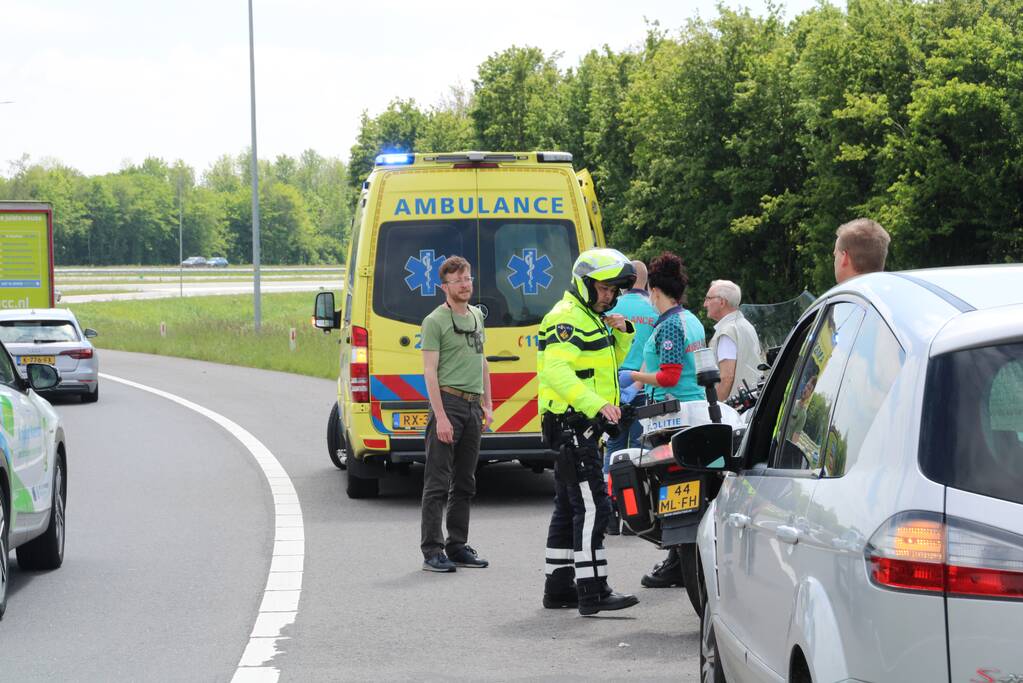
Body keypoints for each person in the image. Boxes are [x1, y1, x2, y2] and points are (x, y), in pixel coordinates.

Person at [539, 248, 641, 615]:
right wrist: (596, 405)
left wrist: (623, 333)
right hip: (574, 425)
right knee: (595, 506)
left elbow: (604, 365)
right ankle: (593, 591)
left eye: (613, 290)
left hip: (579, 426)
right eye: (603, 288)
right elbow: (557, 372)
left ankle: (558, 588)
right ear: (584, 284)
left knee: (568, 508)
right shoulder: (566, 318)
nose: (609, 296)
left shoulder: (590, 317)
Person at [624, 252, 706, 589]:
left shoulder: (670, 325)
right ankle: (684, 557)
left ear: (655, 291)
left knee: (673, 490)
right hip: (695, 409)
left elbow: (670, 376)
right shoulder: (691, 319)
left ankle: (676, 559)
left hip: (672, 415)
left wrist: (633, 376)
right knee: (690, 488)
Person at [419, 256, 494, 572]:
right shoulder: (434, 321)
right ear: (444, 287)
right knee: (438, 482)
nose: (464, 285)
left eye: (467, 278)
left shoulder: (476, 316)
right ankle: (432, 550)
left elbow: (482, 361)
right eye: (457, 280)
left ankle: (457, 545)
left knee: (465, 481)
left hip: (473, 406)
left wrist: (488, 404)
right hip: (448, 404)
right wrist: (441, 416)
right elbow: (429, 372)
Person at [603, 260, 657, 535]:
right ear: (646, 281)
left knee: (613, 445)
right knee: (640, 447)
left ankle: (610, 511)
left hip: (615, 383)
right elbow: (654, 351)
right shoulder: (655, 309)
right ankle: (637, 512)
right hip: (645, 384)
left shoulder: (612, 307)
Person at [704, 279, 764, 401]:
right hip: (753, 400)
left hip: (736, 407)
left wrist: (715, 406)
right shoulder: (744, 324)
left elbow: (726, 378)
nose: (705, 304)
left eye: (708, 298)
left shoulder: (727, 331)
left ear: (722, 302)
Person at [833, 218, 891, 283]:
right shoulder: (895, 285)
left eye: (835, 255)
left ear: (845, 258)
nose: (834, 262)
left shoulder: (846, 289)